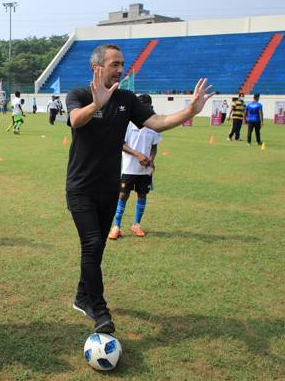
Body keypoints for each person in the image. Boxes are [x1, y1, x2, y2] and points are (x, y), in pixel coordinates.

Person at [65, 44, 213, 334]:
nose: (121, 69)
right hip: (80, 187)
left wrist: (190, 111)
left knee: (98, 247)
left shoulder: (126, 99)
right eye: (115, 64)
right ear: (97, 67)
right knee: (93, 243)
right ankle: (99, 309)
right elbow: (75, 120)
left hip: (109, 187)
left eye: (122, 63)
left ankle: (82, 297)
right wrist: (97, 104)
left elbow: (156, 122)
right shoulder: (79, 95)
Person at [108, 94, 161, 240]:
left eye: (147, 108)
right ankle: (116, 226)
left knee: (142, 194)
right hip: (129, 168)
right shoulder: (127, 123)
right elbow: (120, 144)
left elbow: (154, 146)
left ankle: (136, 224)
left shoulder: (154, 125)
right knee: (123, 195)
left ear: (150, 107)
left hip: (145, 170)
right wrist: (137, 154)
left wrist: (151, 159)